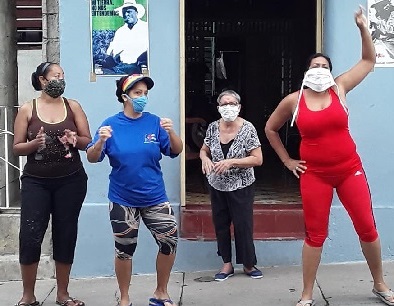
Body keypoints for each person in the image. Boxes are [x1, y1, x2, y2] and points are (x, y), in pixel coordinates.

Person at [264, 7, 394, 306]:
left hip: (350, 170)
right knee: (315, 234)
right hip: (315, 175)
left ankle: (380, 283)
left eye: (325, 65)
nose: (320, 69)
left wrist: (363, 28)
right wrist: (287, 161)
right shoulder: (294, 100)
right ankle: (307, 294)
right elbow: (271, 129)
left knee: (367, 226)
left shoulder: (340, 87)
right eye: (315, 65)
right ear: (307, 71)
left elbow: (368, 60)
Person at [86, 74, 182, 306]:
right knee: (124, 249)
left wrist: (171, 132)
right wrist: (100, 141)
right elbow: (92, 157)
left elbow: (176, 151)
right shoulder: (110, 124)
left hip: (154, 196)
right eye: (138, 93)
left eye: (145, 93)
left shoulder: (154, 122)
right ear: (124, 96)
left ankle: (161, 292)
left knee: (169, 241)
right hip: (122, 199)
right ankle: (125, 298)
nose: (142, 98)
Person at [12, 62, 91, 306]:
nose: (60, 80)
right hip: (37, 182)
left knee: (65, 234)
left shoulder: (73, 106)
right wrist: (34, 145)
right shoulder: (28, 109)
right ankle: (28, 295)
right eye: (56, 76)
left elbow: (87, 141)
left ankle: (63, 294)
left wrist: (74, 139)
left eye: (63, 76)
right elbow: (16, 148)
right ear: (42, 80)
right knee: (30, 235)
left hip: (71, 181)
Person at [200, 90, 263, 282]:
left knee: (243, 223)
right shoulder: (212, 128)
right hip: (217, 184)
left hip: (241, 184)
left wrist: (232, 162)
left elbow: (258, 159)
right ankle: (226, 263)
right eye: (224, 104)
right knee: (221, 224)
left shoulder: (248, 128)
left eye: (232, 103)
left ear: (239, 106)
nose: (228, 107)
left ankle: (248, 264)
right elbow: (204, 150)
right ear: (219, 108)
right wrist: (204, 159)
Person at [102, 0, 149, 75]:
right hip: (122, 67)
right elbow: (111, 50)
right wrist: (108, 57)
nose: (127, 14)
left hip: (141, 67)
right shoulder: (120, 31)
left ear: (136, 13)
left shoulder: (146, 28)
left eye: (129, 11)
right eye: (124, 12)